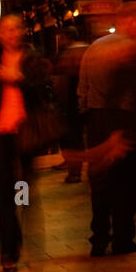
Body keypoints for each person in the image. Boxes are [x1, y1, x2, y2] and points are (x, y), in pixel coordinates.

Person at [79, 5, 136, 258]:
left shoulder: (93, 48)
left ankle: (99, 238)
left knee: (100, 182)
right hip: (125, 119)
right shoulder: (134, 50)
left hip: (97, 118)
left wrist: (88, 114)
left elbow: (82, 90)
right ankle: (123, 237)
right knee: (125, 181)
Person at [0, 15, 50, 272]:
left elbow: (43, 91)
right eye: (6, 29)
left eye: (15, 29)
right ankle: (9, 252)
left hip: (25, 132)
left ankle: (26, 239)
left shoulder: (32, 58)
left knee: (23, 188)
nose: (11, 33)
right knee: (5, 193)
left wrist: (19, 79)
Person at [53, 26, 88, 183]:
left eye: (61, 37)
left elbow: (63, 80)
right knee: (80, 136)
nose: (60, 41)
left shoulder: (70, 54)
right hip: (85, 100)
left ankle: (74, 170)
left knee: (72, 137)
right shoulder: (88, 50)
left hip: (72, 101)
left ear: (68, 37)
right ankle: (75, 166)